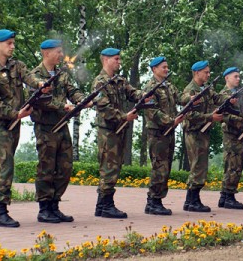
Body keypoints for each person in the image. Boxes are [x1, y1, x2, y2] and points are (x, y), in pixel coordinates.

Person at [0, 29, 43, 227]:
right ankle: (0, 211)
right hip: (0, 125)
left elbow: (30, 78)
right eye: (9, 43)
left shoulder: (17, 66)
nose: (13, 46)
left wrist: (41, 84)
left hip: (15, 123)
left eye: (13, 43)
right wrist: (16, 114)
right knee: (5, 164)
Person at [30, 39, 91, 223]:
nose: (60, 55)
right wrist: (62, 106)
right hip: (46, 127)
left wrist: (82, 100)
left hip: (62, 126)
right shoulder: (35, 75)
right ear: (46, 53)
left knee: (65, 166)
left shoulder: (61, 74)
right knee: (46, 167)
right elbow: (39, 100)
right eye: (58, 51)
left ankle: (55, 205)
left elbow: (72, 90)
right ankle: (44, 208)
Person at [93, 48, 144, 218]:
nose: (119, 62)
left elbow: (133, 93)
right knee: (108, 167)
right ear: (106, 60)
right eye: (116, 59)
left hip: (119, 129)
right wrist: (125, 117)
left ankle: (102, 205)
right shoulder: (100, 82)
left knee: (115, 166)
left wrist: (145, 96)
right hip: (108, 131)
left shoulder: (120, 80)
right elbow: (105, 108)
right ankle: (106, 205)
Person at [181, 60, 225, 212]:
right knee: (197, 165)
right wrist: (210, 117)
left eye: (208, 72)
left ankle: (191, 200)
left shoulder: (206, 89)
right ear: (196, 73)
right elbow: (190, 114)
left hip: (203, 132)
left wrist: (230, 99)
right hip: (194, 132)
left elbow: (218, 99)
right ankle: (192, 200)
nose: (208, 74)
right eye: (205, 72)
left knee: (201, 166)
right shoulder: (190, 91)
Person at [143, 56, 184, 215]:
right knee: (159, 166)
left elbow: (180, 99)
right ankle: (153, 201)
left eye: (167, 67)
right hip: (158, 132)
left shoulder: (169, 87)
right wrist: (171, 121)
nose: (167, 70)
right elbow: (151, 111)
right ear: (154, 69)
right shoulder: (150, 88)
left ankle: (158, 199)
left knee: (166, 166)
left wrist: (191, 100)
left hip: (170, 131)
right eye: (163, 67)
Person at [218, 67, 243, 209]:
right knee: (232, 166)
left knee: (237, 165)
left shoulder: (240, 94)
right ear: (227, 78)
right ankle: (229, 197)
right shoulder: (224, 95)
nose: (238, 79)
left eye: (239, 76)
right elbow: (225, 116)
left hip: (242, 134)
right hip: (232, 135)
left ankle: (224, 196)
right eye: (235, 76)